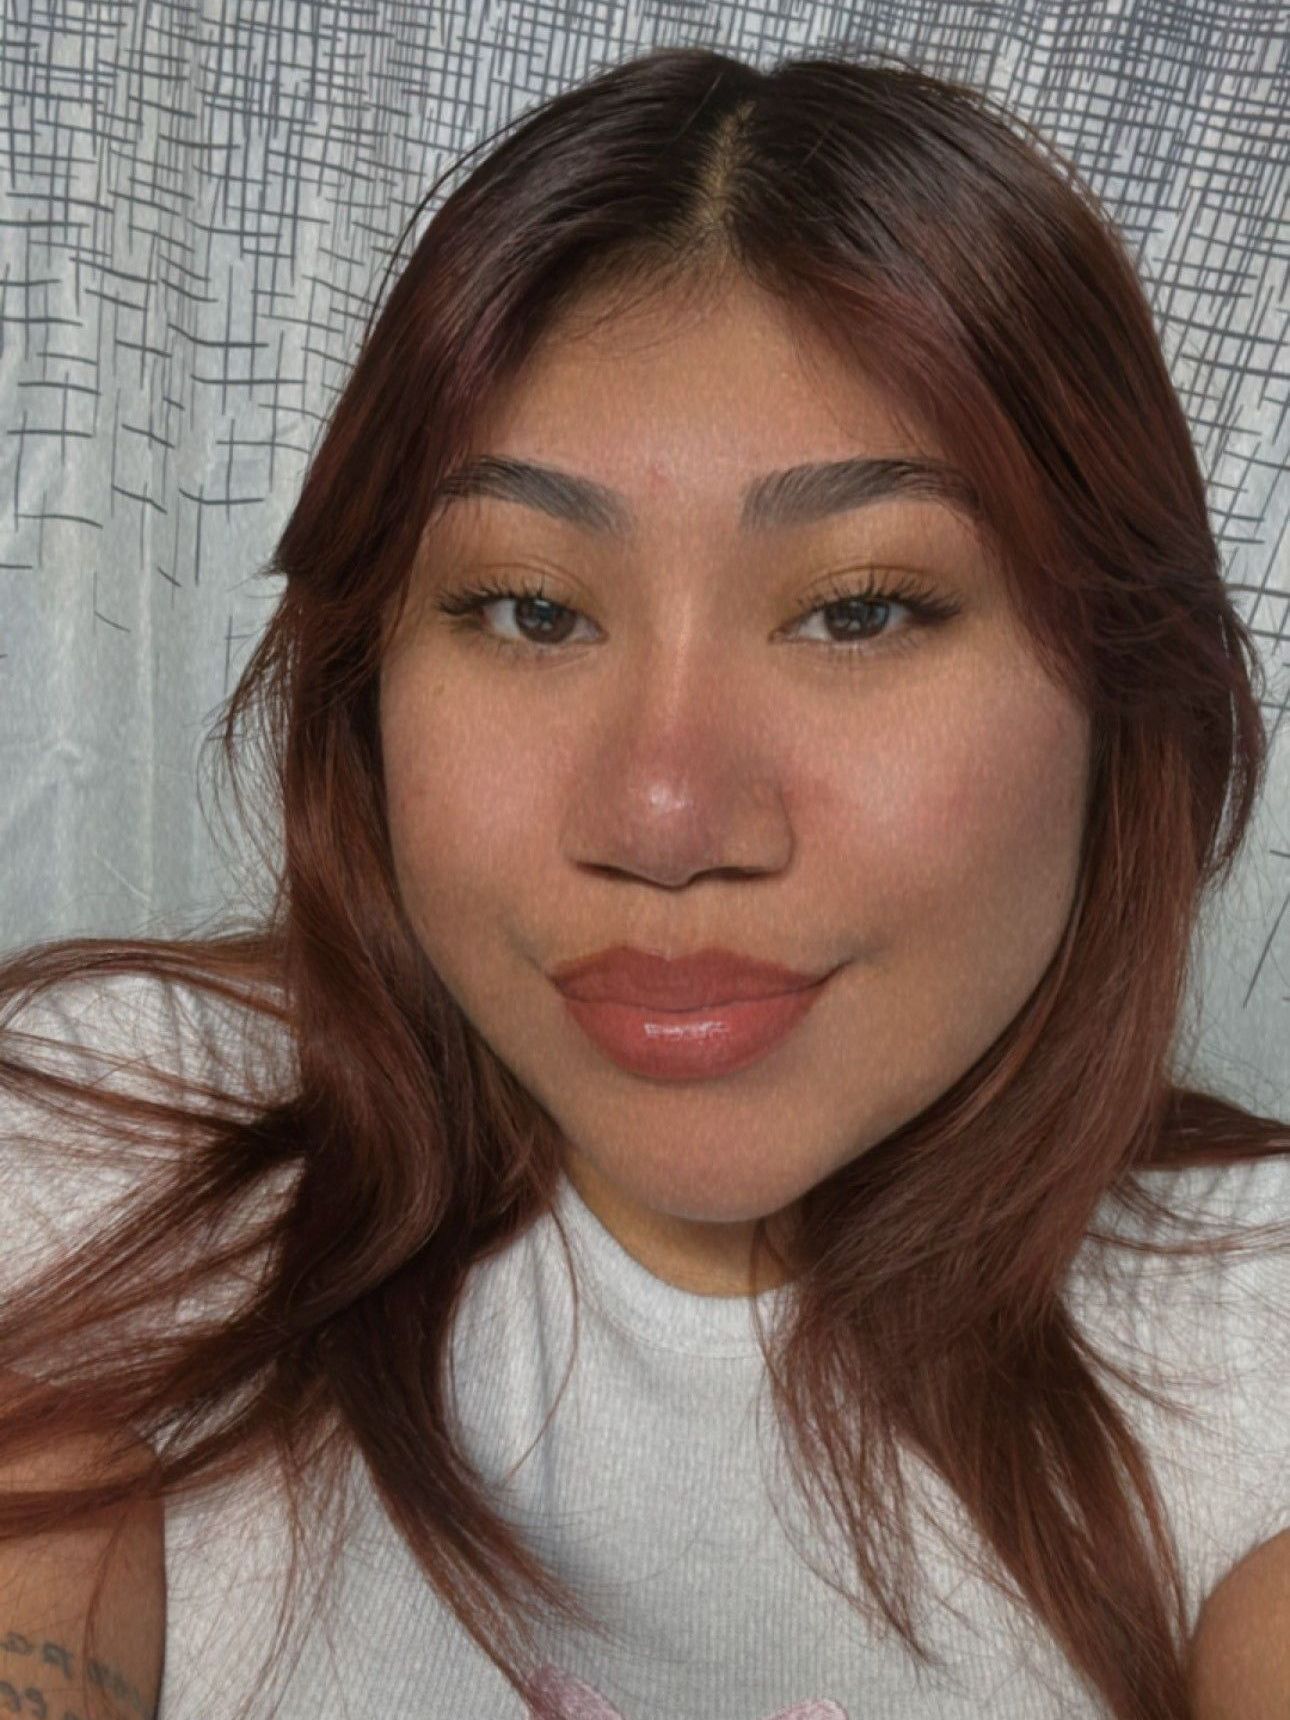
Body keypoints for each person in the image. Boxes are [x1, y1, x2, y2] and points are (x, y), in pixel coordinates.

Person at [0, 43, 1286, 1720]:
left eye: (861, 607)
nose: (666, 815)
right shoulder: (118, 1143)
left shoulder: (1251, 1353)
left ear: (1128, 697)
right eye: (529, 608)